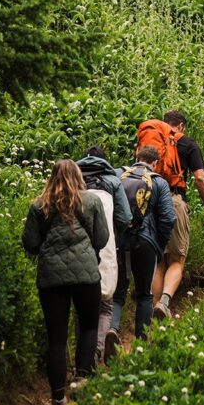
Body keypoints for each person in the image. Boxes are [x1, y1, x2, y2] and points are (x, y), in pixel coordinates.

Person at [21, 159, 108, 405]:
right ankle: (81, 381)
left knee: (56, 338)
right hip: (85, 276)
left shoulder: (39, 205)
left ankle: (58, 402)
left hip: (51, 279)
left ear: (52, 177)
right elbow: (102, 238)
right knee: (89, 327)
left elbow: (30, 243)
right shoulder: (91, 202)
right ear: (78, 176)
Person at [104, 145, 176, 358]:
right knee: (144, 293)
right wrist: (159, 244)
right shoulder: (159, 182)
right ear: (155, 163)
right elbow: (168, 218)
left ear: (136, 156)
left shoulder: (118, 175)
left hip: (120, 241)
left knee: (118, 292)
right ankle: (141, 346)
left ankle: (112, 329)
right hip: (146, 243)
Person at [152, 110, 204, 320]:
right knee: (177, 259)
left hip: (151, 201)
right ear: (181, 126)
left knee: (160, 260)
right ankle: (165, 302)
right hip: (174, 200)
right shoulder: (187, 143)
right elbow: (200, 179)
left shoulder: (154, 141)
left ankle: (153, 311)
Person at [76, 146, 132, 359]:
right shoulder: (112, 180)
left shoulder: (74, 179)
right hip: (106, 247)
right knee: (106, 302)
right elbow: (125, 217)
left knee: (80, 307)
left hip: (78, 250)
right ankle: (97, 350)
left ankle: (81, 356)